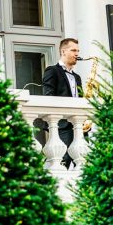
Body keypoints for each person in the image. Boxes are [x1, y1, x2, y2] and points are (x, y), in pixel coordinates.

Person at [43, 38, 83, 167]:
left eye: (78, 51)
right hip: (62, 125)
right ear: (63, 51)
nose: (77, 54)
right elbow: (48, 96)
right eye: (73, 50)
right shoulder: (52, 71)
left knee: (80, 161)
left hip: (78, 125)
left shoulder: (77, 77)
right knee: (62, 160)